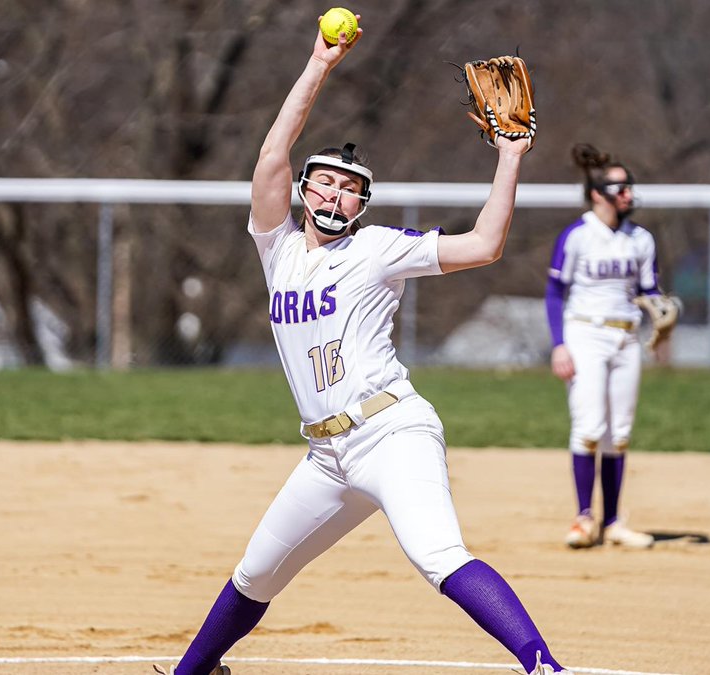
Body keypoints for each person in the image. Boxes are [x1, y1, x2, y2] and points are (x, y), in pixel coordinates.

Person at [155, 20, 573, 675]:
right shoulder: (280, 250)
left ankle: (544, 665)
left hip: (391, 430)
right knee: (255, 572)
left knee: (438, 554)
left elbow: (484, 244)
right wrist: (319, 64)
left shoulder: (377, 249)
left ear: (361, 204)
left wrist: (509, 157)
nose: (333, 192)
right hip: (326, 454)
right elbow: (270, 156)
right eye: (323, 181)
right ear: (303, 191)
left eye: (349, 187)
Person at [545, 143, 664, 550]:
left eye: (629, 186)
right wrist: (560, 345)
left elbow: (650, 292)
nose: (628, 194)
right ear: (598, 194)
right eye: (620, 187)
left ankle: (611, 522)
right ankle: (583, 519)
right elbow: (554, 292)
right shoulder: (577, 236)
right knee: (591, 426)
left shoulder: (641, 239)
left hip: (626, 336)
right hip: (585, 334)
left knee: (620, 433)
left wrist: (663, 315)